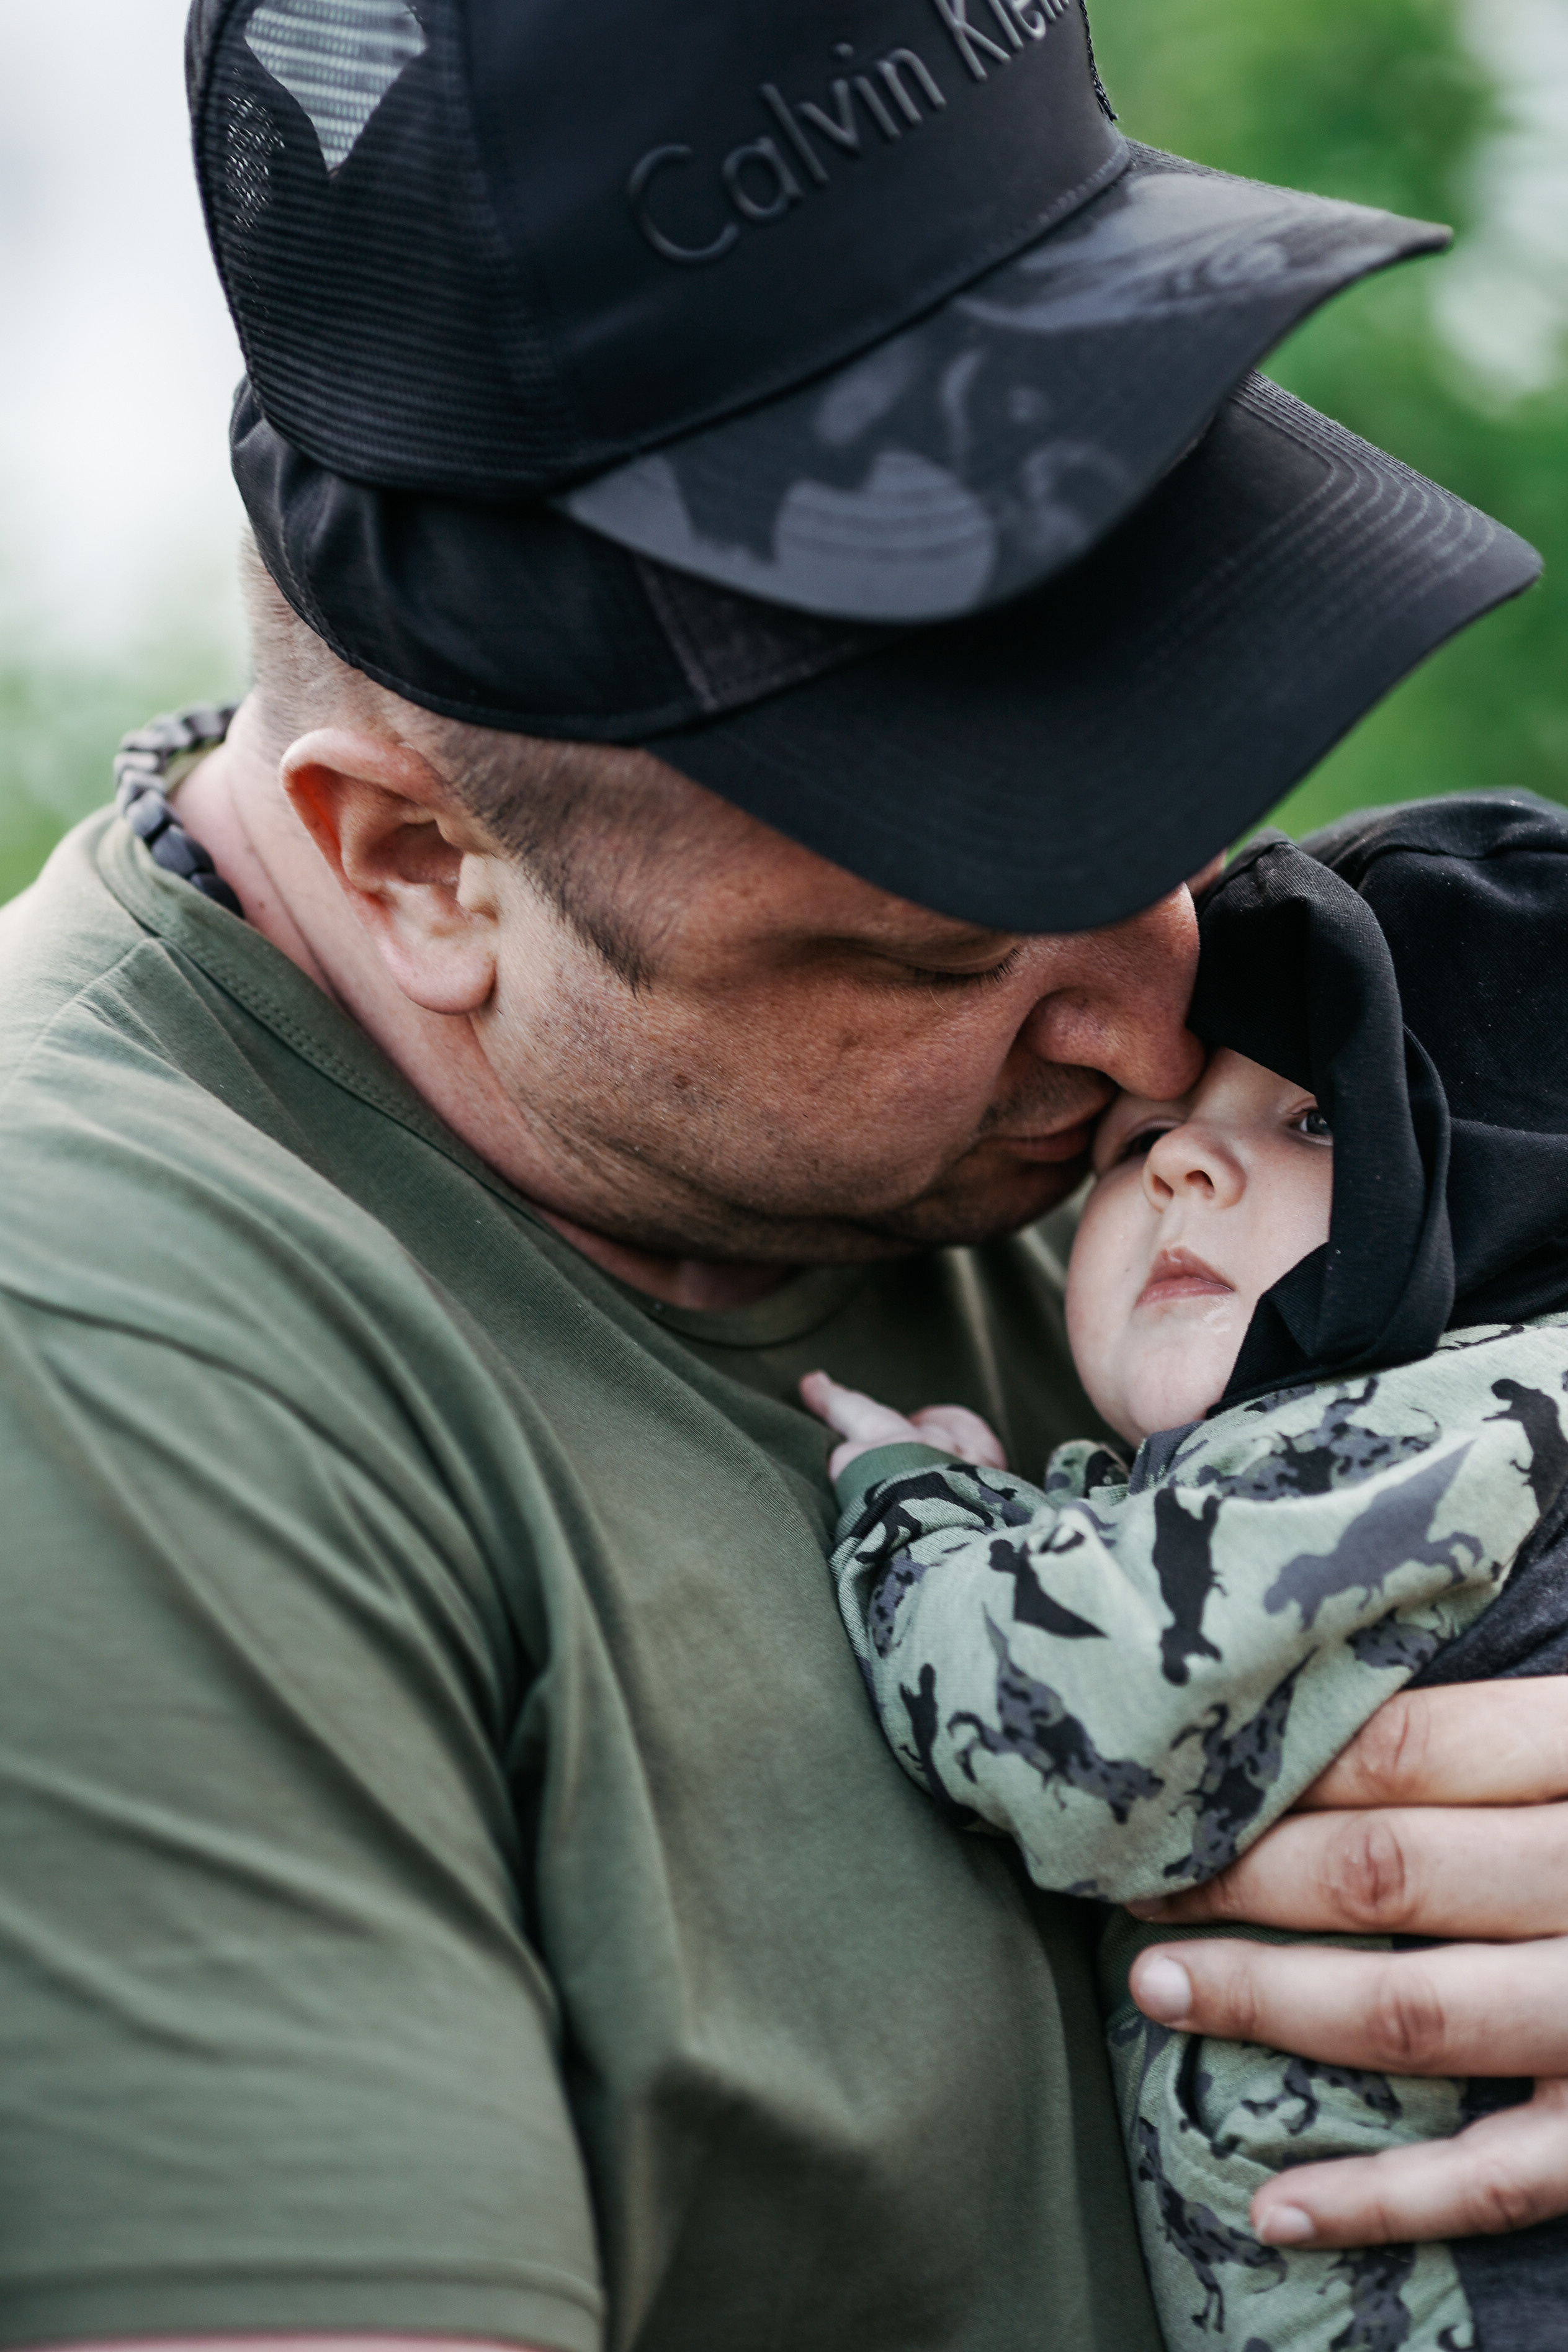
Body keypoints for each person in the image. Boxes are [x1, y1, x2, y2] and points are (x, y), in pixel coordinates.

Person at [0, 0, 1564, 2347]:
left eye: (1174, 801)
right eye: (942, 935)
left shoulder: (1212, 1071)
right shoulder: (112, 1384)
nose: (1162, 1032)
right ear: (422, 867)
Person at [803, 799, 1568, 2349]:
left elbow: (1069, 1719)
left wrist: (922, 1512)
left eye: (1319, 1117)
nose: (1183, 1173)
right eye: (1139, 1140)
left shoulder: (1436, 1431)